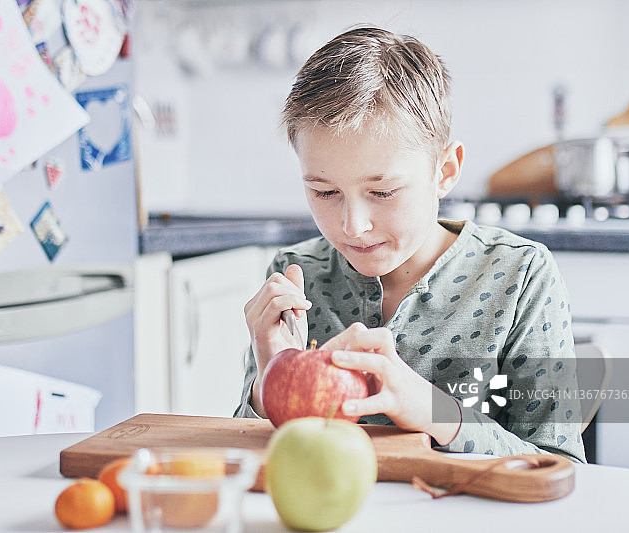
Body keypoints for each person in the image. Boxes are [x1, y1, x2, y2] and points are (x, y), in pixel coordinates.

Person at [233, 26, 586, 463]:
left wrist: (432, 409)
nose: (353, 226)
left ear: (445, 170)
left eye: (382, 193)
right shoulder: (295, 274)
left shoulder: (520, 276)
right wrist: (270, 380)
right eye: (324, 193)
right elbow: (254, 451)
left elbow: (560, 465)